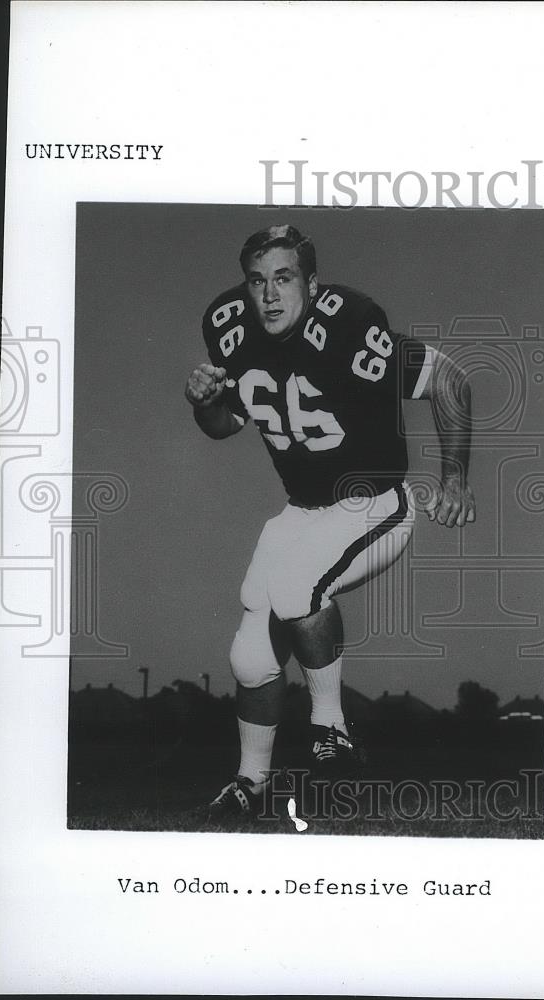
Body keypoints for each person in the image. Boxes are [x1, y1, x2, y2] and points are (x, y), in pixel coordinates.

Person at [185, 224, 475, 819]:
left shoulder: (347, 324)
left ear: (311, 284)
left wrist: (455, 478)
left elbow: (448, 377)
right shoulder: (232, 331)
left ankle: (331, 728)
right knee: (248, 655)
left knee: (297, 591)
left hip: (375, 502)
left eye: (284, 279)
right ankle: (250, 783)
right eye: (257, 281)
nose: (268, 295)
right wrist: (206, 401)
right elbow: (222, 428)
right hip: (301, 511)